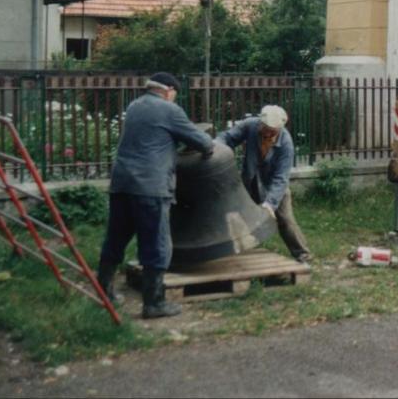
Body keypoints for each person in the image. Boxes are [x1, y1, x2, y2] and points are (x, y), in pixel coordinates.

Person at [96, 72, 214, 319]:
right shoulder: (169, 110)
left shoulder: (135, 105)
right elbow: (203, 143)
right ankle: (154, 303)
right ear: (169, 90)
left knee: (116, 238)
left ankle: (104, 291)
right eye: (175, 94)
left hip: (122, 183)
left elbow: (153, 138)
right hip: (150, 187)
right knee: (157, 244)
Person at [216, 105, 312, 263]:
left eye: (272, 131)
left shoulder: (286, 144)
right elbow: (227, 137)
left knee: (285, 220)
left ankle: (302, 254)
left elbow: (281, 178)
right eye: (265, 128)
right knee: (237, 216)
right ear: (260, 122)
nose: (267, 133)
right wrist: (215, 146)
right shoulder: (250, 125)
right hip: (250, 182)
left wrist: (270, 204)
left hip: (274, 188)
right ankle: (239, 253)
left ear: (281, 128)